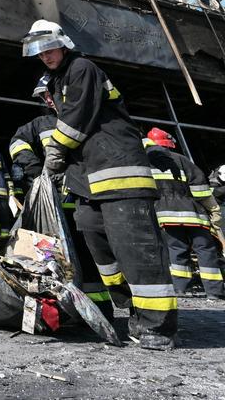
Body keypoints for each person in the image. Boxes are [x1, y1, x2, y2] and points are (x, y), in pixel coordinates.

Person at [23, 19, 176, 350]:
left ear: (62, 45)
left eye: (49, 49)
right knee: (96, 244)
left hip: (119, 171)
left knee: (136, 251)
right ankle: (131, 306)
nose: (45, 56)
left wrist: (55, 151)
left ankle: (157, 327)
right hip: (88, 181)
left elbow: (77, 119)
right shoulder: (59, 83)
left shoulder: (82, 69)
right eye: (40, 53)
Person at [9, 76, 113, 314]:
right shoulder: (40, 124)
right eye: (44, 97)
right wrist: (35, 170)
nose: (48, 100)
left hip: (86, 199)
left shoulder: (90, 118)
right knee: (53, 256)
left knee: (91, 254)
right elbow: (17, 143)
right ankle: (61, 307)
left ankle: (99, 307)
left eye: (49, 93)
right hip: (55, 204)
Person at [143, 128, 223, 299]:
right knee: (205, 250)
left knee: (176, 251)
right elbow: (200, 189)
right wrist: (213, 210)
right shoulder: (182, 160)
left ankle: (181, 289)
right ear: (168, 144)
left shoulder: (144, 163)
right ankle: (214, 292)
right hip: (194, 215)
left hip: (165, 216)